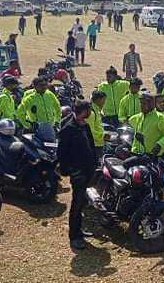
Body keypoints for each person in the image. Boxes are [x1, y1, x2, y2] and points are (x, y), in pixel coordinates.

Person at [58, 100, 96, 250]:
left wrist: (95, 163)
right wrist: (68, 170)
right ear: (84, 111)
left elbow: (91, 146)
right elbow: (62, 152)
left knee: (82, 203)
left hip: (87, 169)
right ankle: (74, 236)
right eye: (89, 110)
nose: (90, 113)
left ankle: (79, 230)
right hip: (78, 171)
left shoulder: (84, 125)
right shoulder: (68, 128)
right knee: (77, 204)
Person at [89, 90, 107, 160]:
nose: (104, 102)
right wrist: (103, 136)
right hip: (94, 145)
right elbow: (89, 131)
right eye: (103, 100)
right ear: (98, 100)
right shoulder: (91, 113)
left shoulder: (96, 110)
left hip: (98, 143)